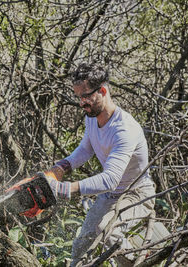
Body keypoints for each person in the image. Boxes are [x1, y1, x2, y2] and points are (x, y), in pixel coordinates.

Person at [44, 62, 156, 266]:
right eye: (79, 97)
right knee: (81, 246)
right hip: (110, 196)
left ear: (103, 91)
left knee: (108, 231)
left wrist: (65, 189)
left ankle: (140, 262)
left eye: (86, 96)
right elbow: (86, 148)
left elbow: (111, 179)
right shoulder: (92, 117)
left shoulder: (124, 129)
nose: (82, 103)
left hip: (137, 193)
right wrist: (61, 168)